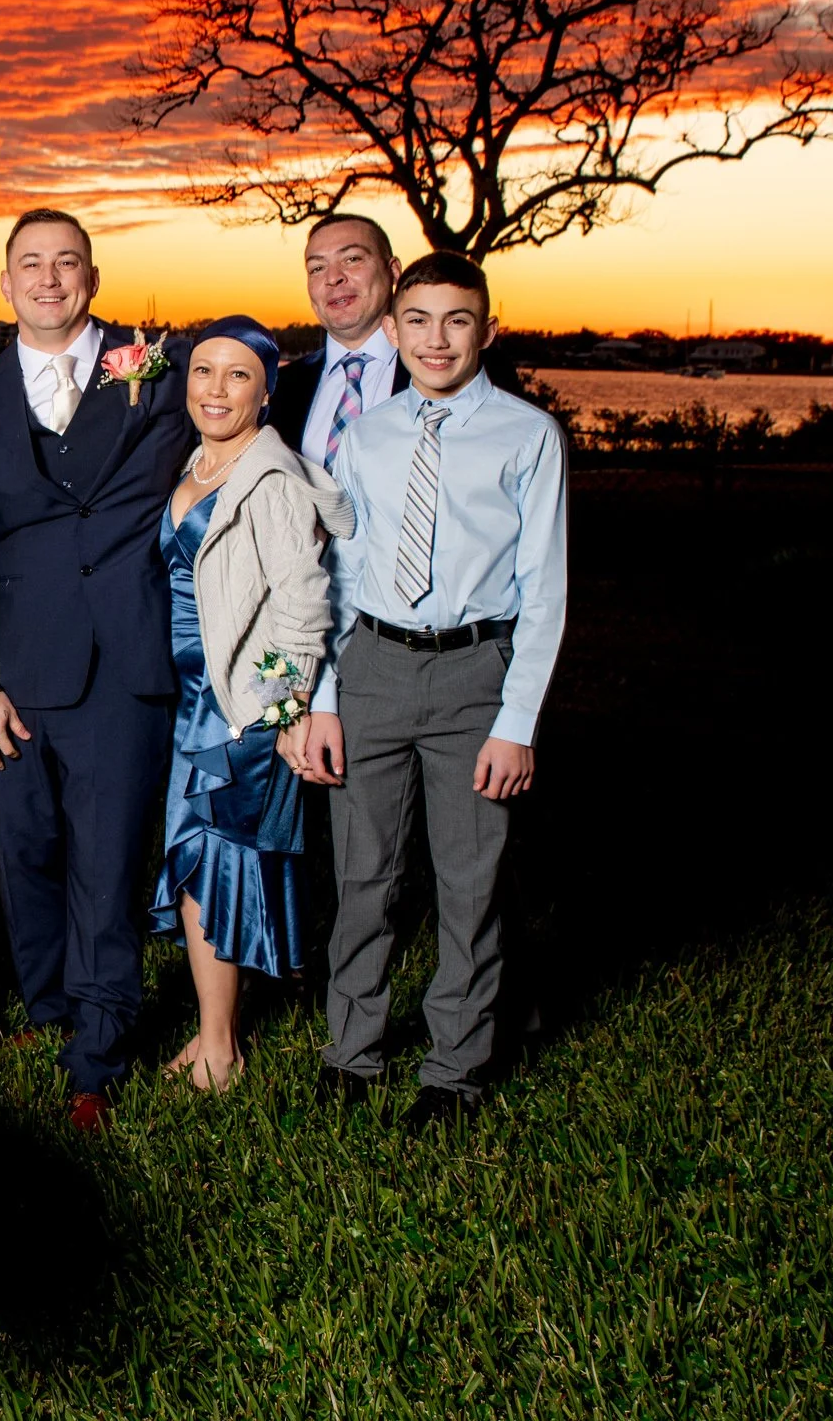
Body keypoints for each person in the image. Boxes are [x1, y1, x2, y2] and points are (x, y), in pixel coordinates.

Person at [0, 208, 191, 1131]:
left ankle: (98, 1053)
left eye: (65, 262)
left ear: (92, 275)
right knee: (26, 847)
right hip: (18, 668)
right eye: (29, 264)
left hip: (125, 658)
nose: (48, 278)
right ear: (5, 285)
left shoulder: (159, 367)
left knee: (107, 859)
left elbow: (253, 396)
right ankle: (48, 1006)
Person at [302, 251, 568, 1131]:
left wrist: (516, 721)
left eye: (457, 320)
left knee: (469, 879)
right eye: (417, 320)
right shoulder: (368, 435)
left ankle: (454, 1064)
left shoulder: (529, 435)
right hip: (374, 662)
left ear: (488, 328)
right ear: (392, 329)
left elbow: (545, 587)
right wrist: (327, 696)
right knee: (364, 873)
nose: (436, 338)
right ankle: (353, 1049)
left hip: (473, 674)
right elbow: (343, 569)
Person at [147, 316, 354, 1091]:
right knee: (204, 863)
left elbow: (304, 609)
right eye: (204, 372)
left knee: (214, 867)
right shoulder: (192, 462)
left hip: (233, 706)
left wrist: (273, 709)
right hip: (188, 696)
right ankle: (215, 1034)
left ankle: (219, 1045)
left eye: (238, 376)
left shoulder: (268, 479)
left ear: (267, 390)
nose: (217, 389)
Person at [271, 213, 407, 467]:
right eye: (317, 268)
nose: (333, 278)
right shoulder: (280, 389)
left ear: (393, 271)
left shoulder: (444, 375)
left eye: (352, 259)